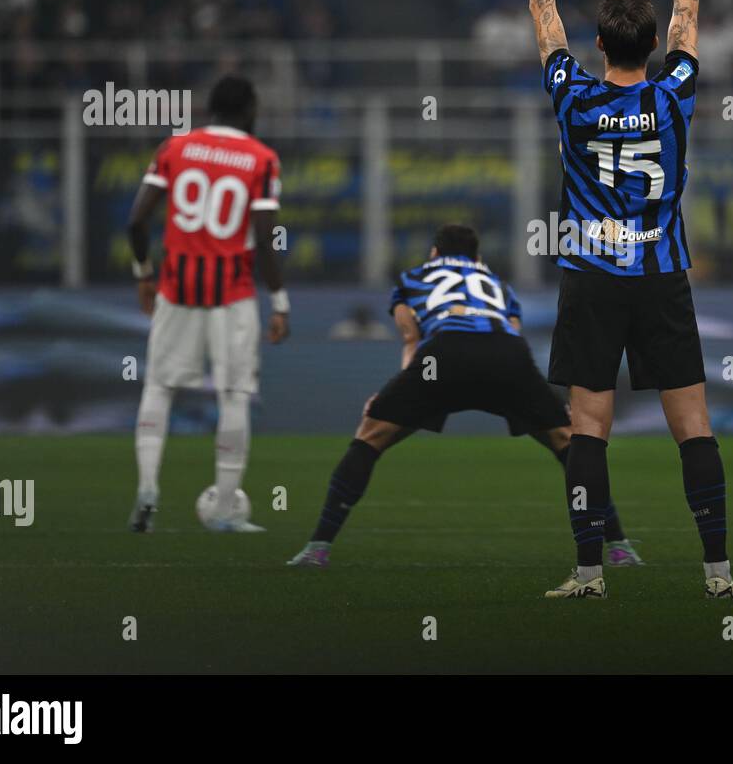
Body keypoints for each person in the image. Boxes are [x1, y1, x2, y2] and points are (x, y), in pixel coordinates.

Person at [517, 0, 733, 599]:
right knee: (694, 422)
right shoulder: (675, 95)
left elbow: (543, 13)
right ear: (650, 47)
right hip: (660, 274)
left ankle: (588, 573)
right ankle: (717, 574)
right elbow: (689, 6)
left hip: (593, 275)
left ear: (602, 45)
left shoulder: (573, 99)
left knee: (588, 424)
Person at [286, 224, 642, 567]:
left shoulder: (413, 277)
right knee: (569, 443)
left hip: (443, 355)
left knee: (370, 436)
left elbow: (412, 338)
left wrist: (394, 395)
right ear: (477, 256)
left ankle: (318, 548)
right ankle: (619, 547)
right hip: (507, 357)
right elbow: (514, 337)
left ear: (434, 252)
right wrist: (537, 397)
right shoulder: (497, 285)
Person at [126, 75, 289, 533]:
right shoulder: (261, 159)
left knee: (158, 387)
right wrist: (279, 301)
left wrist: (143, 274)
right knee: (234, 394)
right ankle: (222, 510)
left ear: (208, 108)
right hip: (231, 294)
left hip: (176, 288)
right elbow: (264, 239)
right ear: (251, 109)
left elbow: (136, 221)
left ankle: (147, 490)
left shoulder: (175, 148)